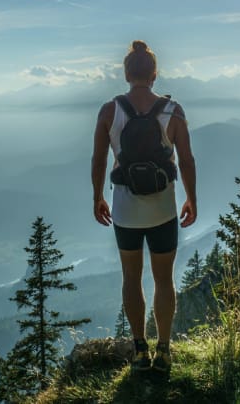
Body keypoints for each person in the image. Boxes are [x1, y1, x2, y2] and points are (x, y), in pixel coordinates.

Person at [91, 40, 197, 374]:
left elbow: (98, 158)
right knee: (164, 280)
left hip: (125, 210)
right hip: (163, 209)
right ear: (154, 74)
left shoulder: (110, 111)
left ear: (126, 74)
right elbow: (187, 160)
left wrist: (98, 197)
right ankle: (164, 350)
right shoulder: (173, 111)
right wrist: (191, 198)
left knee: (131, 278)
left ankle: (139, 350)